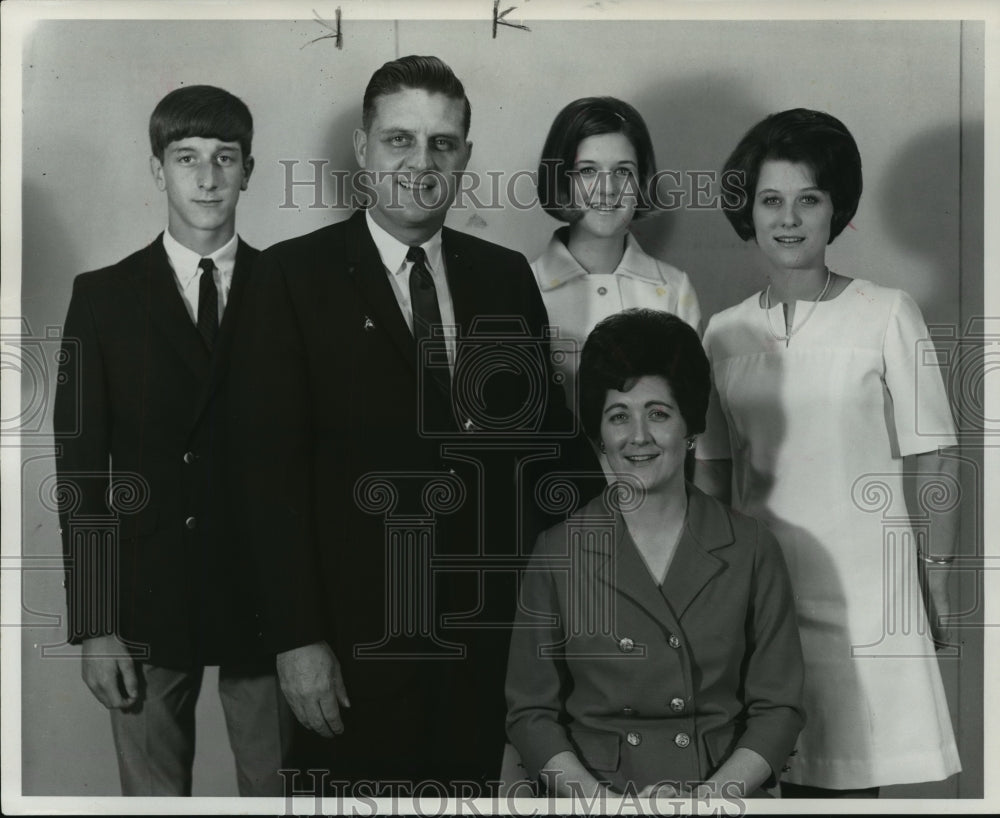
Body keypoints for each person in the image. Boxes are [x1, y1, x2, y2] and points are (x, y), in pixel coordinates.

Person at [229, 55, 599, 790]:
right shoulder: (288, 278)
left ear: (465, 156)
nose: (420, 162)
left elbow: (549, 450)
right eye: (399, 140)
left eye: (442, 143)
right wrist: (297, 640)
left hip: (485, 641)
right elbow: (264, 479)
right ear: (363, 151)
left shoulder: (502, 276)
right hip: (347, 649)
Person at [694, 108, 962, 797]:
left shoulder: (886, 313)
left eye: (808, 200)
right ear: (748, 212)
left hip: (867, 605)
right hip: (761, 600)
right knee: (752, 779)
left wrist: (932, 584)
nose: (789, 220)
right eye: (771, 201)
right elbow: (715, 478)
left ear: (835, 209)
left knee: (844, 791)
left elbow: (936, 458)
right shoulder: (723, 334)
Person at [52, 85, 293, 796]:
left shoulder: (290, 289)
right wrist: (96, 624)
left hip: (267, 600)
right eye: (187, 158)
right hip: (145, 602)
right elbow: (82, 472)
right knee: (154, 801)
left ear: (250, 169)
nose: (208, 177)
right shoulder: (102, 297)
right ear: (157, 169)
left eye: (226, 158)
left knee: (281, 789)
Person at [505, 309, 805, 799]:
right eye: (618, 415)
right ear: (599, 435)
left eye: (658, 413)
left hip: (719, 793)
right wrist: (600, 803)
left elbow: (779, 708)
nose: (638, 436)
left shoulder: (751, 547)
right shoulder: (557, 550)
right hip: (594, 798)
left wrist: (709, 800)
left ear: (689, 427)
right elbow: (530, 712)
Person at [531, 97, 702, 412]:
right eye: (587, 171)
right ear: (562, 181)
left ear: (640, 181)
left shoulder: (674, 290)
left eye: (623, 172)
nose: (607, 188)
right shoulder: (522, 286)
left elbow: (693, 417)